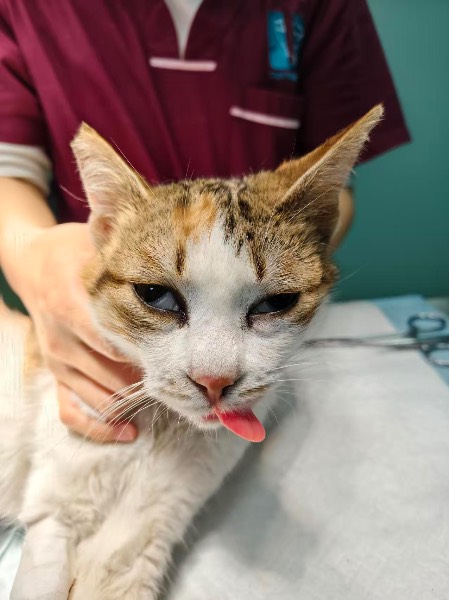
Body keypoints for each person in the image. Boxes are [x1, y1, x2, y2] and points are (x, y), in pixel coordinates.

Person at [0, 0, 410, 442]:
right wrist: (32, 255)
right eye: (156, 295)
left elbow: (334, 193)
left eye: (275, 302)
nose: (215, 374)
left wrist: (291, 254)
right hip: (83, 335)